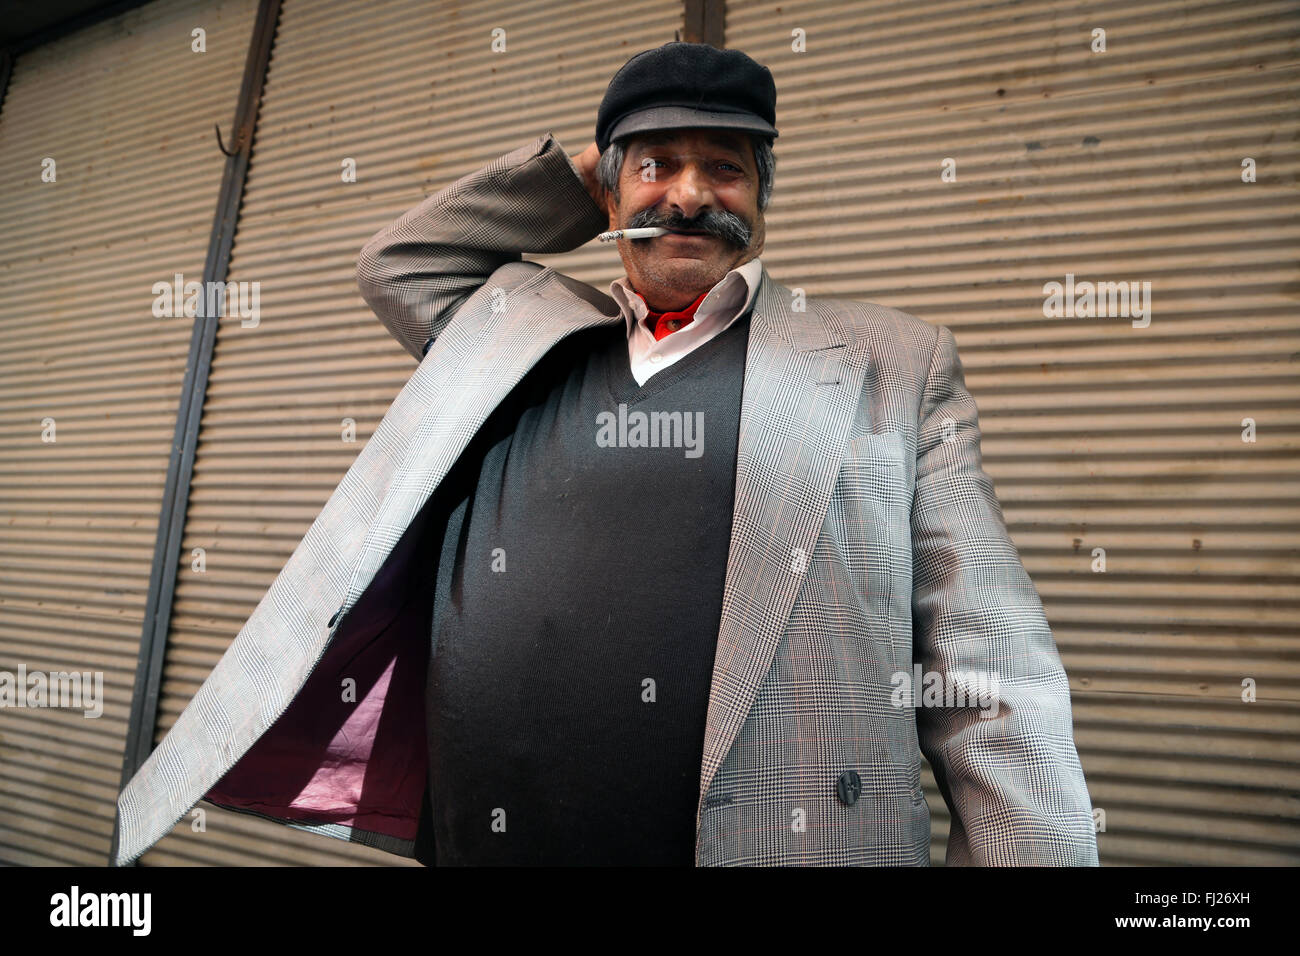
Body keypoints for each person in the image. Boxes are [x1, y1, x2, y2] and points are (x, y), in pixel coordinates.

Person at [113, 41, 1098, 867]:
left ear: (762, 196)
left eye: (725, 168)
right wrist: (586, 173)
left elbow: (993, 677)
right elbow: (396, 262)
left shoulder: (892, 361)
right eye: (655, 164)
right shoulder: (517, 334)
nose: (688, 194)